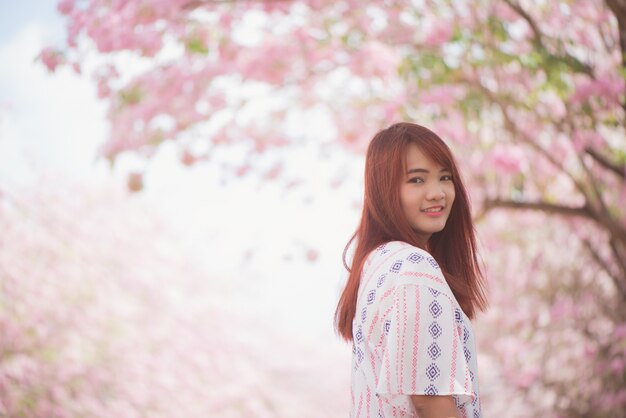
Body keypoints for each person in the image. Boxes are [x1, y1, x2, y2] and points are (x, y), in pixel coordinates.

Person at [335, 122, 488, 418]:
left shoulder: (375, 263)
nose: (437, 193)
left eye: (445, 178)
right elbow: (429, 401)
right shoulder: (413, 268)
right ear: (384, 191)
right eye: (417, 180)